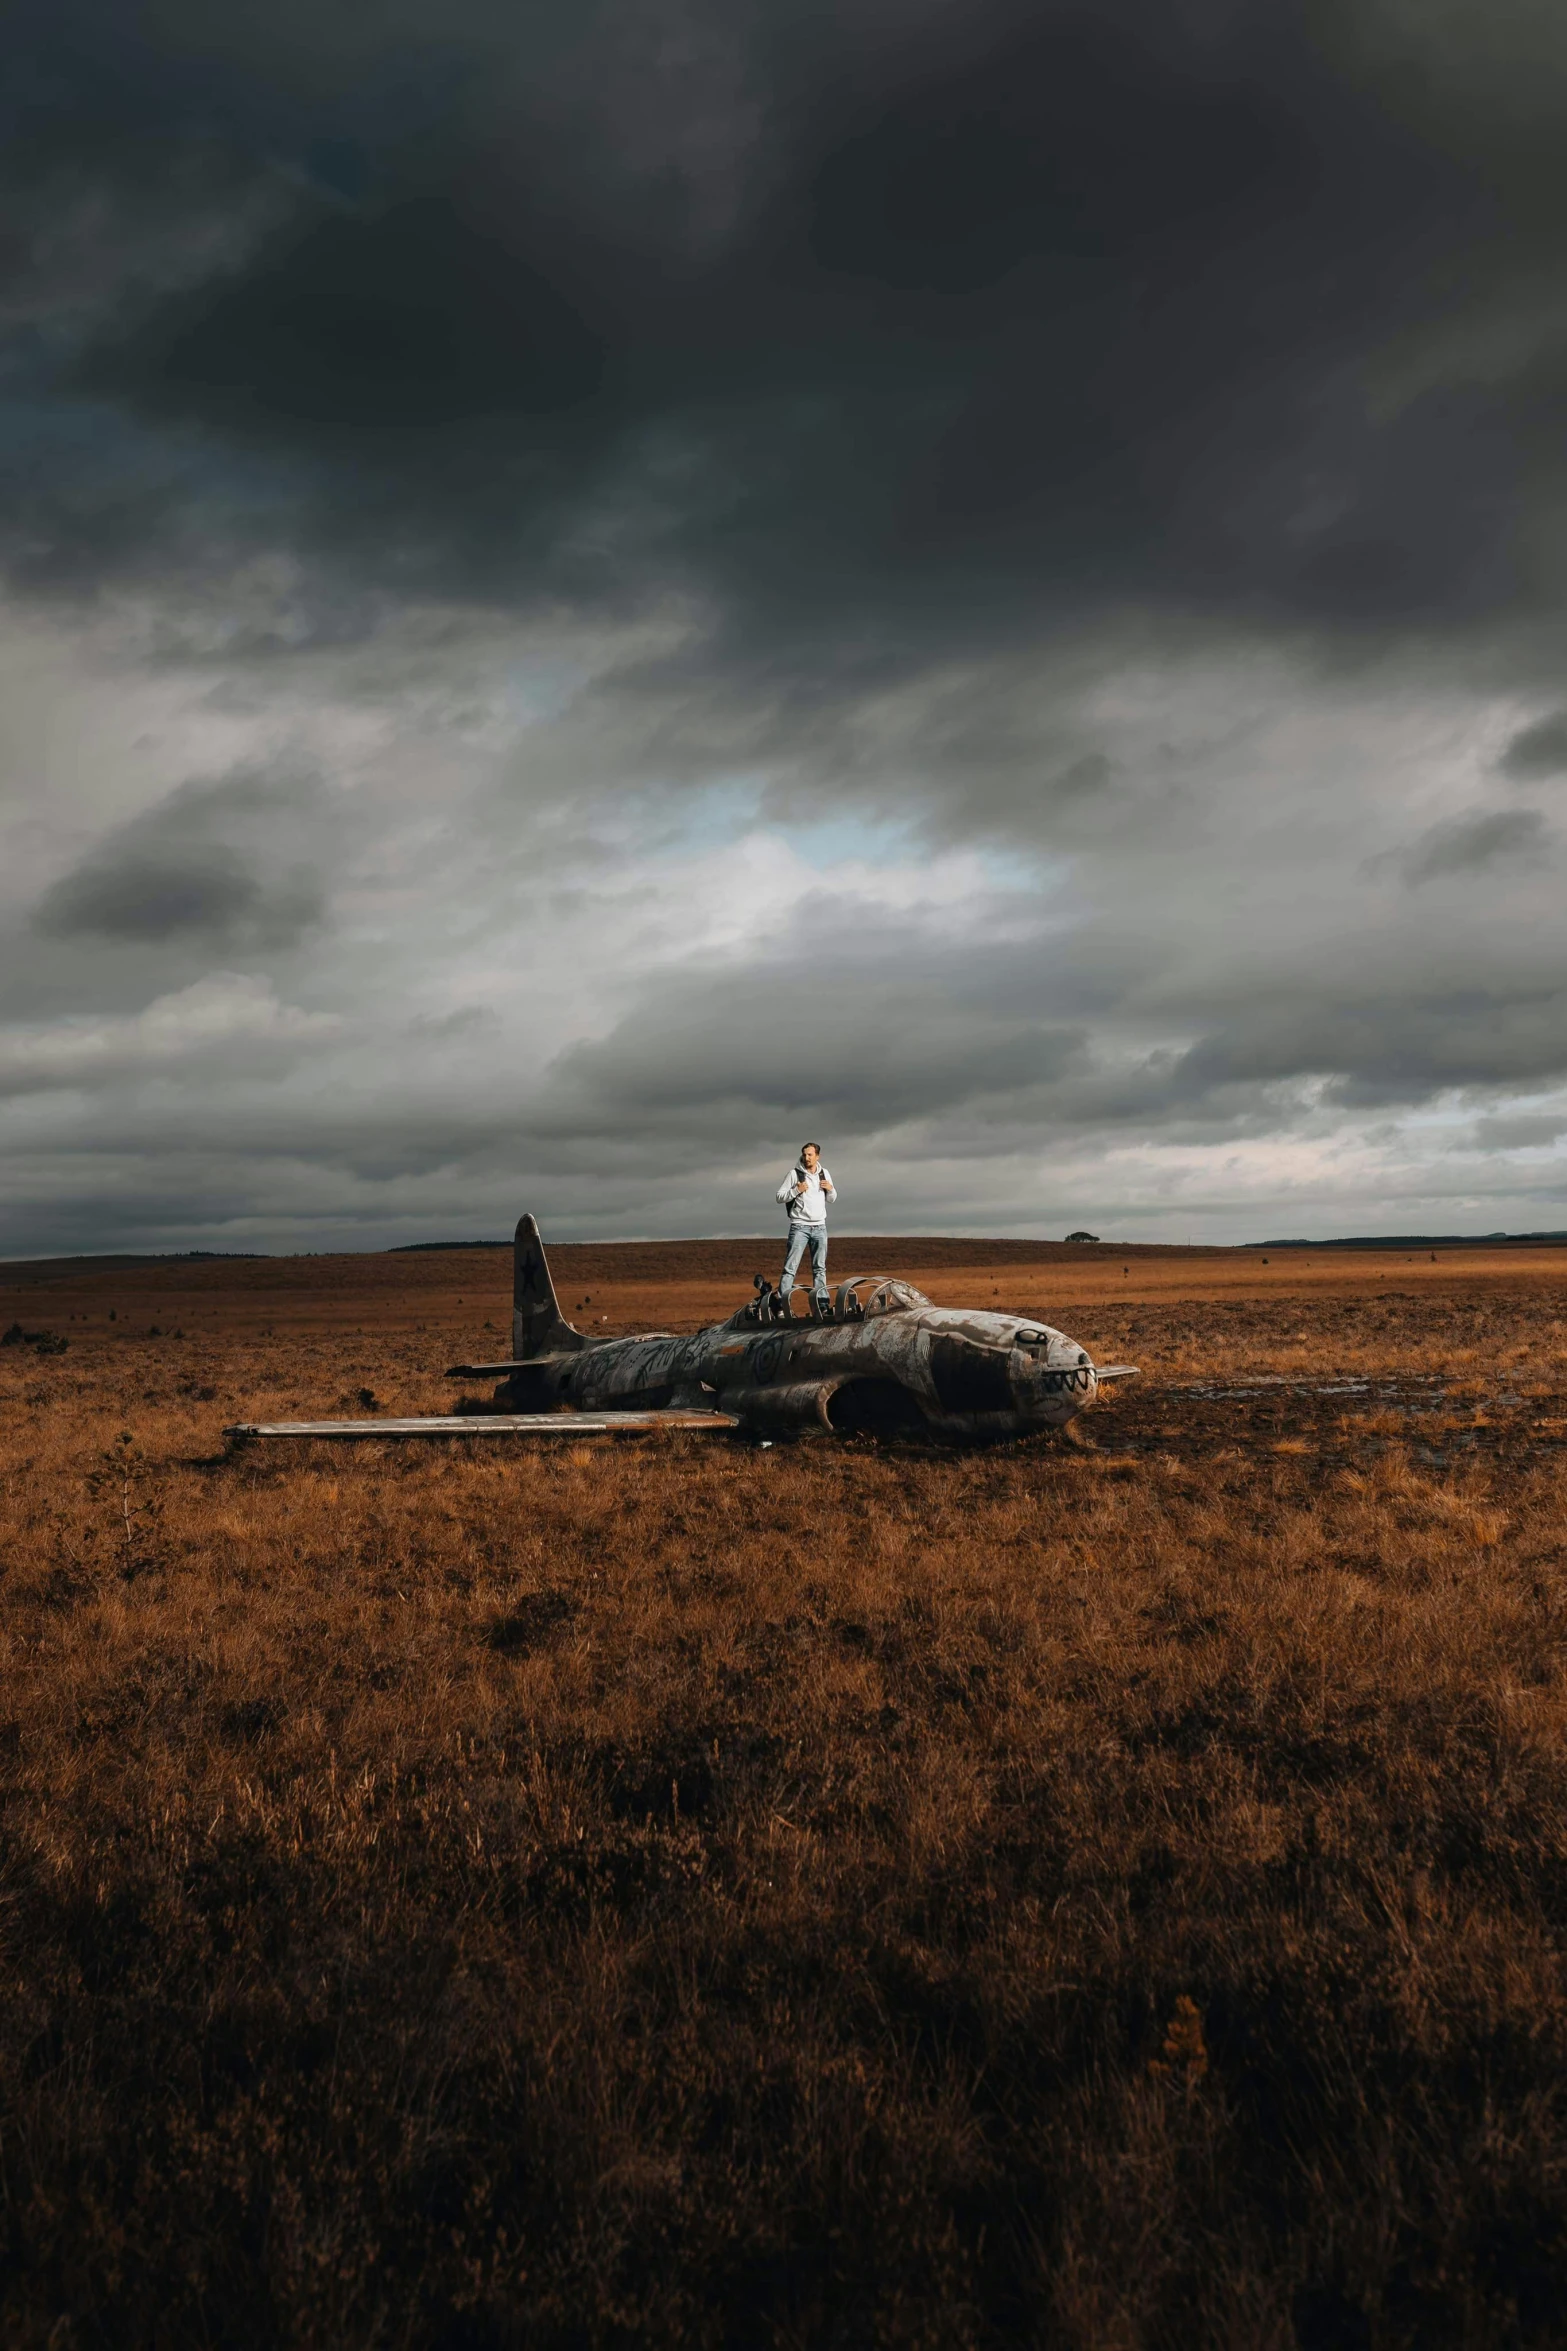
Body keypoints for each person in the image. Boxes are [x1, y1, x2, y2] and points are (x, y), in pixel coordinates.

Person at [775, 1141, 836, 1309]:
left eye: (810, 1154)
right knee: (790, 1267)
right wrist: (796, 1190)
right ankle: (782, 1305)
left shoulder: (824, 1174)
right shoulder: (794, 1174)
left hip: (820, 1227)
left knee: (820, 1268)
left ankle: (822, 1305)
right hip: (799, 1226)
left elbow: (832, 1199)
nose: (807, 1157)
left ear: (817, 1156)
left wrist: (830, 1188)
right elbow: (779, 1196)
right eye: (804, 1154)